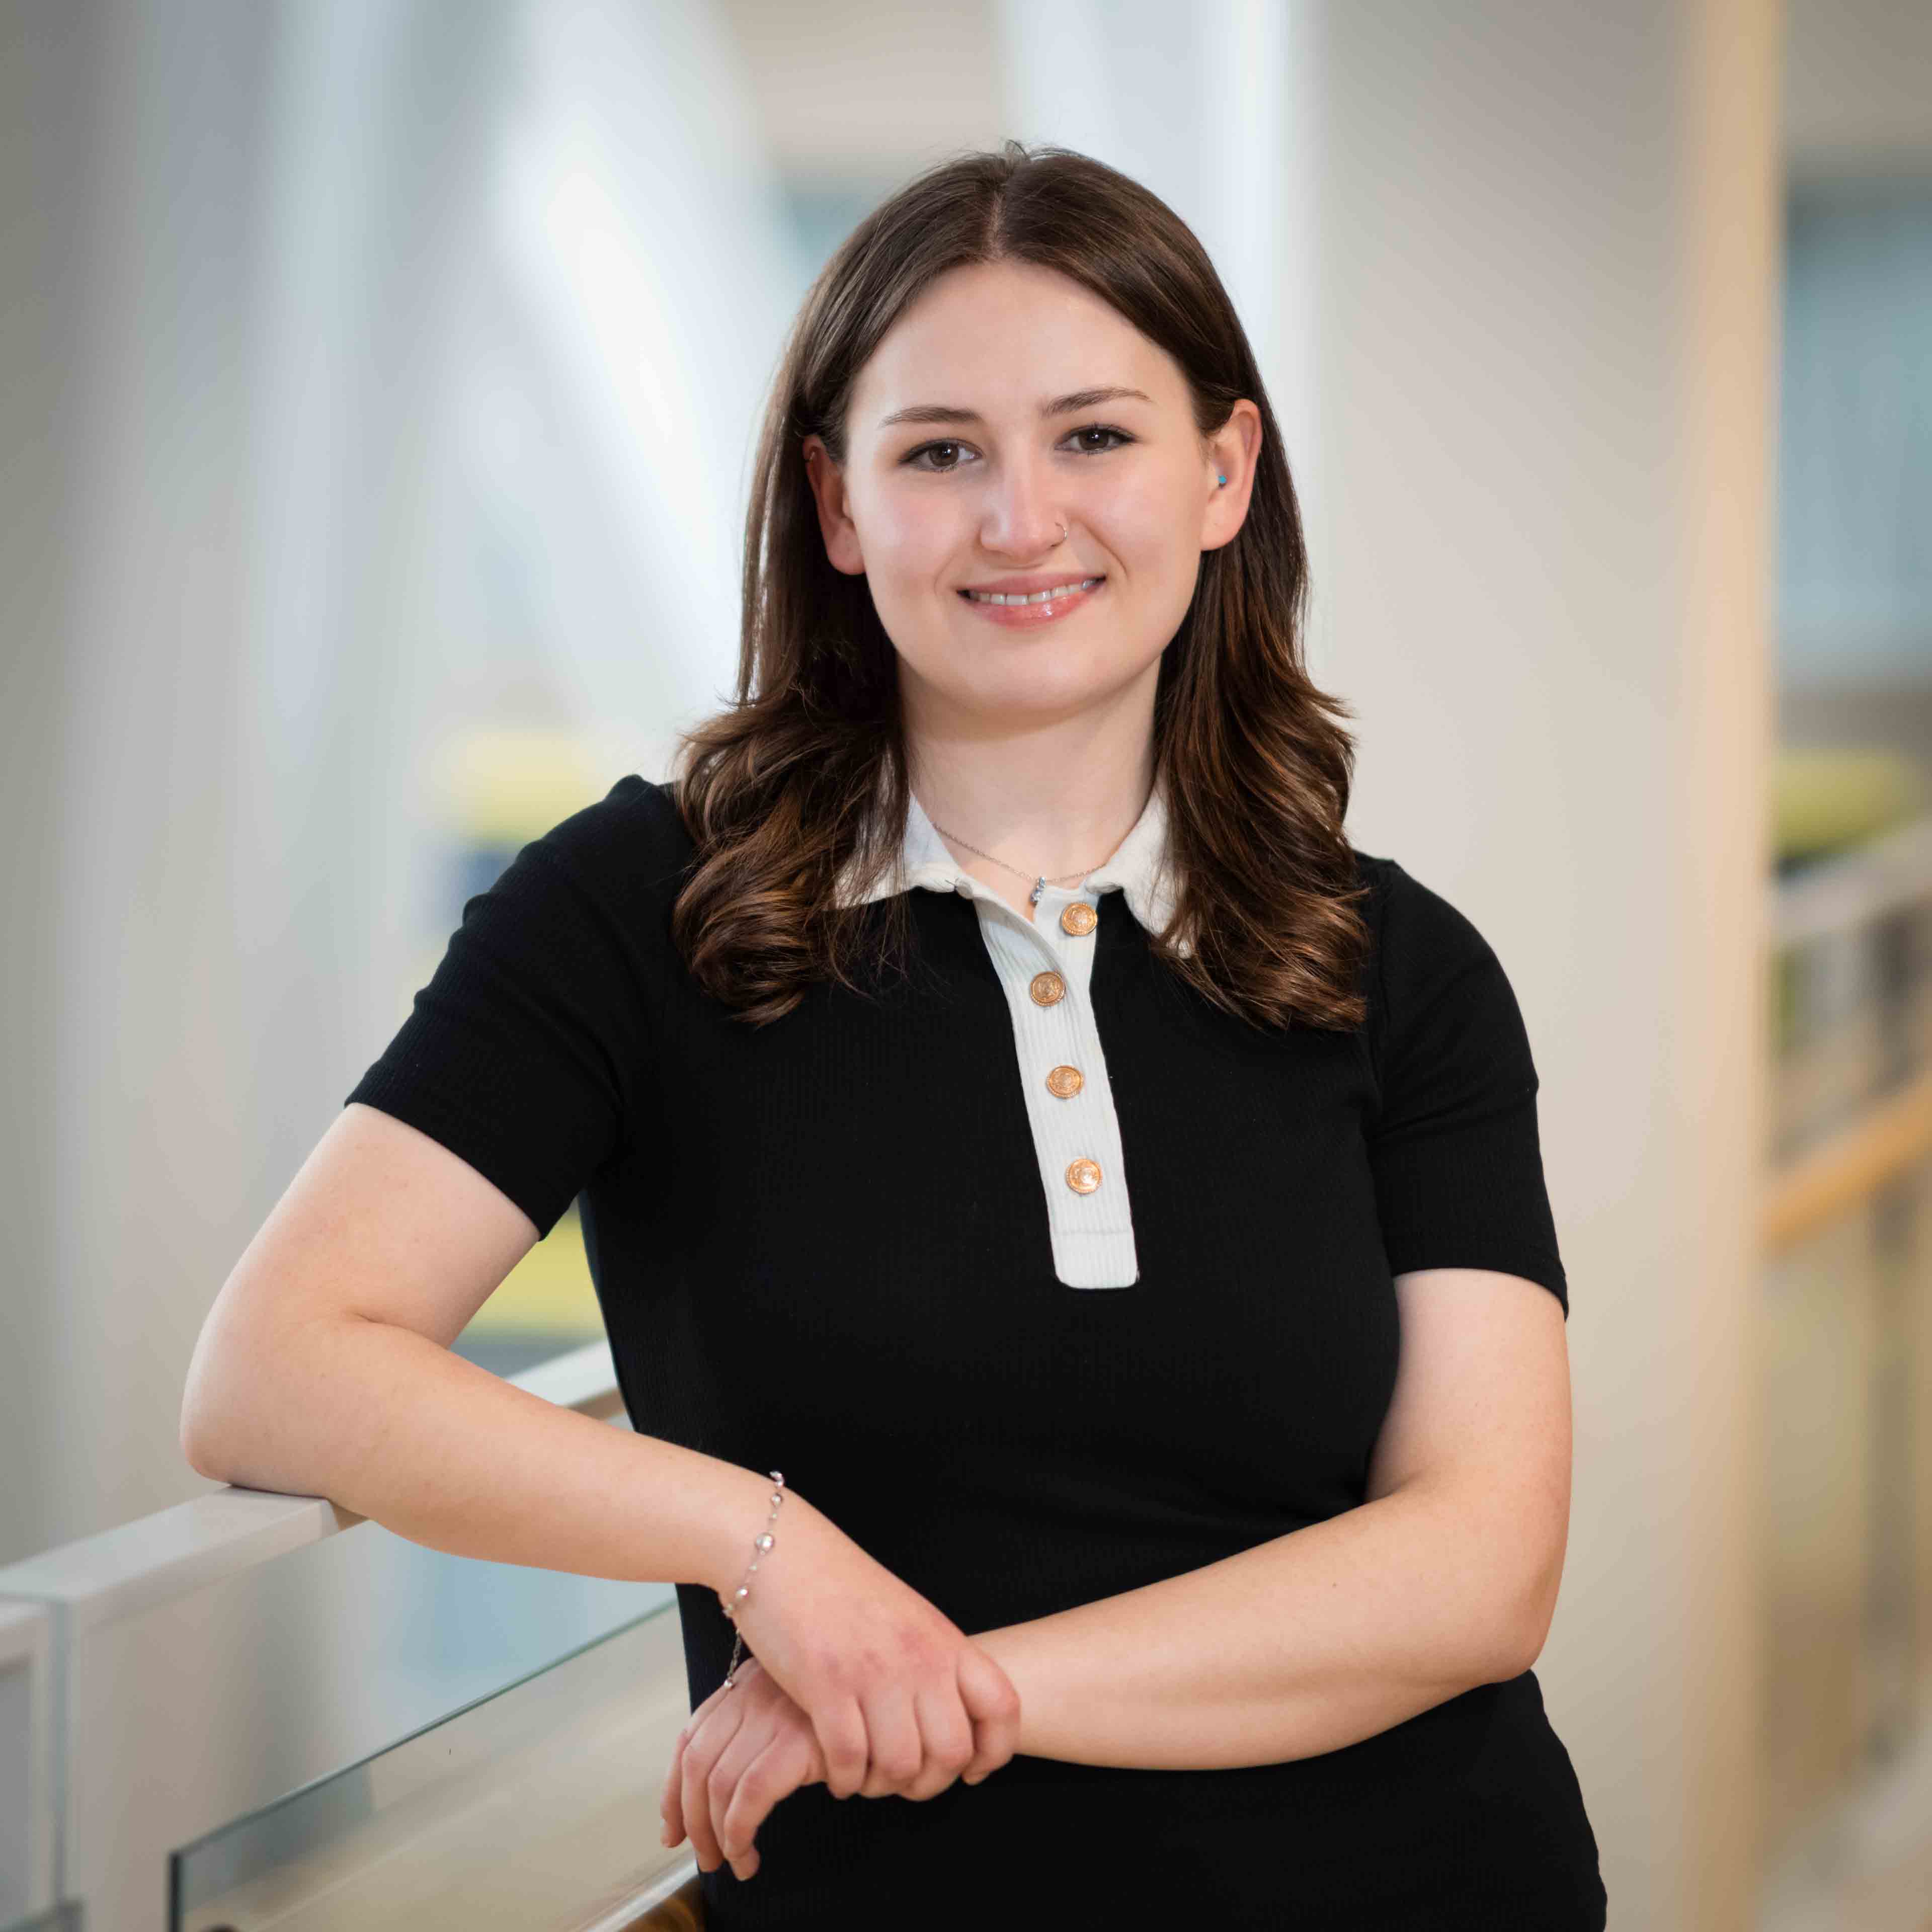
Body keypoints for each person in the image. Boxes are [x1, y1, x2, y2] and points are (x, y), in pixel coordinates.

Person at [180, 141, 1606, 1929]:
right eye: (942, 452)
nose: (1023, 520)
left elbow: (1479, 1569)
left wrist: (932, 1690)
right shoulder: (644, 911)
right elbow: (277, 1366)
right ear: (838, 507)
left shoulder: (1399, 966)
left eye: (1097, 436)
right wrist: (762, 1551)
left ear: (1224, 473)